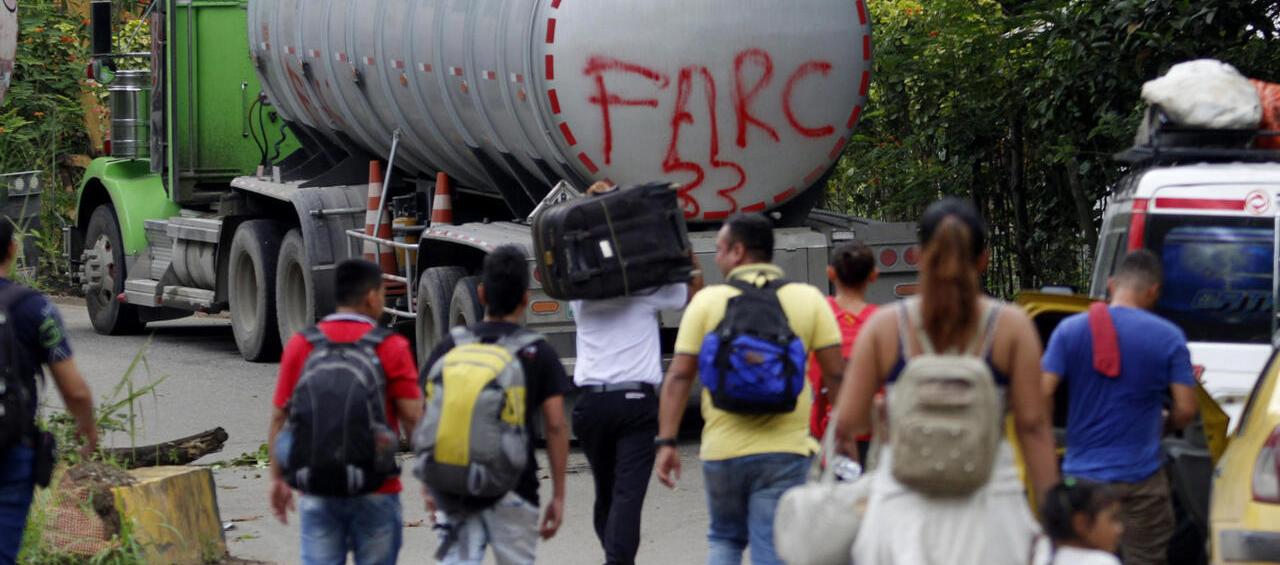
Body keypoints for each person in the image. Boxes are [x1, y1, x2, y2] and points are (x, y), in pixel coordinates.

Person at [831, 197, 1058, 565]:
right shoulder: (1011, 327)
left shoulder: (886, 327)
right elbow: (1033, 426)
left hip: (904, 510)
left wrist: (883, 412)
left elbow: (849, 421)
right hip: (990, 509)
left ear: (920, 256)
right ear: (983, 259)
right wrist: (1055, 518)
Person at [655, 214, 846, 565]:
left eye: (720, 250)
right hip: (787, 451)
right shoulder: (808, 299)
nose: (716, 258)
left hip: (722, 450)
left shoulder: (707, 302)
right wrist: (843, 436)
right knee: (771, 546)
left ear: (738, 251)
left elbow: (680, 375)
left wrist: (667, 441)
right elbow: (836, 376)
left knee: (724, 540)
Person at [571, 185, 704, 565]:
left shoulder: (581, 293)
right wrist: (682, 242)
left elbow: (577, 247)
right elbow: (696, 292)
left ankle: (616, 558)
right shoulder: (647, 289)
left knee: (607, 495)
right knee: (627, 497)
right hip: (635, 406)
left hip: (590, 406)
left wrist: (591, 205)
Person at [1041, 249, 1197, 565]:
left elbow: (1042, 392)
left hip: (1083, 480)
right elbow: (1186, 410)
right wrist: (1163, 424)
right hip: (1142, 480)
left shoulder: (1070, 330)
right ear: (1153, 291)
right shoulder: (1169, 338)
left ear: (1111, 285)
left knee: (1081, 559)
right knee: (1145, 558)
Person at [420, 245, 570, 564]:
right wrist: (558, 495)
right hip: (516, 487)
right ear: (525, 298)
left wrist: (429, 484)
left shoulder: (452, 345)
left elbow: (427, 412)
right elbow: (556, 425)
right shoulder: (537, 352)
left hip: (455, 488)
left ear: (481, 294)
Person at [268, 259, 423, 565]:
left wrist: (277, 478)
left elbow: (278, 419)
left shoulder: (302, 344)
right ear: (371, 297)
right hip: (377, 487)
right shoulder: (391, 346)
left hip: (318, 488)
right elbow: (413, 418)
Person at [0, 218, 98, 565]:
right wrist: (87, 428)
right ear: (13, 249)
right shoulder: (33, 308)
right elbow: (75, 391)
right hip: (9, 449)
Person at [808, 241, 878, 449]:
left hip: (828, 430)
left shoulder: (817, 315)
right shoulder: (882, 321)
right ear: (873, 276)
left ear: (830, 273)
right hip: (871, 430)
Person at [1039, 480, 1124, 565]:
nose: (1120, 529)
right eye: (1113, 519)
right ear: (1081, 523)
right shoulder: (1102, 562)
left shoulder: (1041, 558)